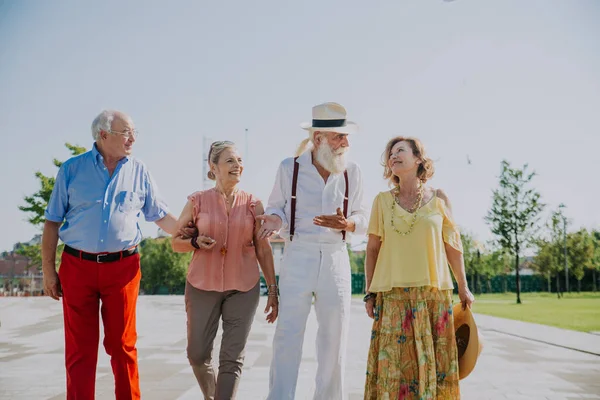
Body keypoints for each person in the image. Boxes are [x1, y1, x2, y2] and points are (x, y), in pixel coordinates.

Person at [42, 110, 185, 400]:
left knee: (122, 346)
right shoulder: (71, 169)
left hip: (123, 268)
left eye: (134, 132)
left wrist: (189, 233)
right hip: (76, 267)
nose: (132, 138)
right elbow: (52, 221)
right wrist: (48, 270)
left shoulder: (139, 170)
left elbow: (160, 216)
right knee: (80, 350)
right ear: (103, 135)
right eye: (126, 132)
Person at [257, 102, 368, 399]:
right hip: (298, 255)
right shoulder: (289, 168)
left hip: (335, 256)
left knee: (335, 339)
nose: (345, 143)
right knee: (287, 336)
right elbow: (276, 208)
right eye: (338, 137)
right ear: (318, 138)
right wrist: (274, 220)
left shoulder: (352, 171)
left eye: (345, 137)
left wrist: (348, 223)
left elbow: (363, 216)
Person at [363, 136, 475, 400]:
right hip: (394, 298)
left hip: (433, 297)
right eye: (390, 154)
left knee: (435, 370)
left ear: (418, 159)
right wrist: (369, 293)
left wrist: (463, 286)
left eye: (400, 151)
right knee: (394, 369)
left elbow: (452, 246)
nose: (393, 156)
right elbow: (372, 250)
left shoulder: (439, 198)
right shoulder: (381, 200)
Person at [172, 140, 279, 400]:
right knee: (197, 354)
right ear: (213, 166)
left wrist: (273, 291)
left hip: (243, 288)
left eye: (240, 161)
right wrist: (195, 241)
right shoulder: (196, 201)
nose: (237, 165)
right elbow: (176, 243)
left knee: (231, 359)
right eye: (230, 160)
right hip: (201, 286)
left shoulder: (254, 205)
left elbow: (263, 250)